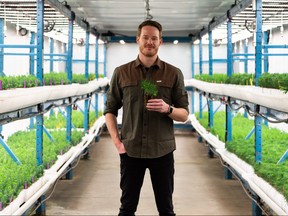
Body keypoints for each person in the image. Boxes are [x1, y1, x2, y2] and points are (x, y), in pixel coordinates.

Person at [104, 19, 189, 216]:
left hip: (162, 151)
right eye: (145, 37)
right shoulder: (121, 72)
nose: (149, 42)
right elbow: (110, 109)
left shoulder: (174, 73)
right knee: (127, 208)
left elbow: (184, 114)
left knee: (166, 209)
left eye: (154, 38)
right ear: (138, 39)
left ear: (160, 42)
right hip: (131, 150)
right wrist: (118, 142)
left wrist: (168, 109)